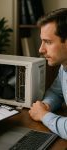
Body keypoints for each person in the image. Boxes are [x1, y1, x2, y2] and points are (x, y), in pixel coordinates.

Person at [29, 8, 67, 140]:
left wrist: (43, 115)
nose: (41, 49)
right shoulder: (64, 67)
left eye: (48, 42)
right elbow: (56, 92)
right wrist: (46, 105)